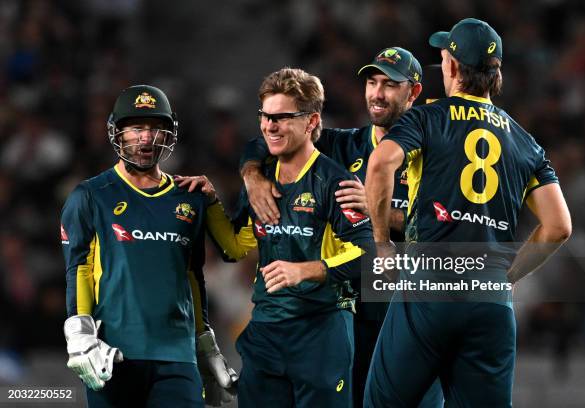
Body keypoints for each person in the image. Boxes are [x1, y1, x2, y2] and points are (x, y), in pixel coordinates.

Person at [364, 18, 572, 407]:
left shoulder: (427, 117)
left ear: (454, 68)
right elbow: (559, 226)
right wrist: (506, 275)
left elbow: (379, 165)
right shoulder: (527, 143)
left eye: (443, 59)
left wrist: (382, 245)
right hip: (490, 301)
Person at [237, 47, 443, 407]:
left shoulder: (438, 157)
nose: (377, 93)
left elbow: (448, 233)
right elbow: (270, 138)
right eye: (372, 82)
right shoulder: (343, 145)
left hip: (413, 316)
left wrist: (377, 210)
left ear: (413, 93)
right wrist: (252, 175)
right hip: (353, 315)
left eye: (390, 85)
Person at [192, 67, 374, 407]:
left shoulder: (335, 183)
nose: (269, 126)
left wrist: (306, 270)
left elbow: (368, 256)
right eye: (265, 116)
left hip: (321, 330)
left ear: (311, 121)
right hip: (265, 331)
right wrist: (212, 202)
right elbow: (236, 247)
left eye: (281, 118)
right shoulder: (260, 183)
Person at [60, 85, 238, 407]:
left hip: (178, 357)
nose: (146, 137)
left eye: (156, 128)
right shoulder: (90, 196)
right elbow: (80, 268)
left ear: (170, 134)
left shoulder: (191, 197)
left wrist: (205, 344)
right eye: (137, 128)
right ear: (119, 132)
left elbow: (193, 276)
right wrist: (79, 333)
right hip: (112, 355)